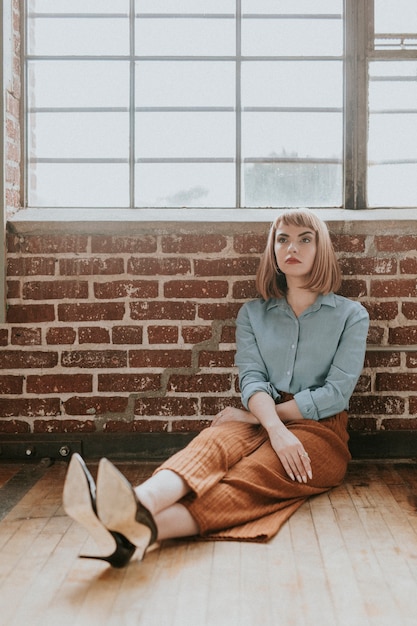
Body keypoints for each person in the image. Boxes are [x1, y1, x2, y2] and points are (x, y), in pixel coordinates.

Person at [63, 208, 369, 568]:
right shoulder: (253, 314)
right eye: (282, 239)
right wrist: (269, 425)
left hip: (321, 430)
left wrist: (258, 420)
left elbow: (335, 394)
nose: (292, 247)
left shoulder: (351, 315)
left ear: (322, 250)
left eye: (305, 239)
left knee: (251, 475)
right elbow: (252, 378)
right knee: (212, 443)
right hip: (261, 413)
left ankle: (134, 531)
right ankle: (137, 501)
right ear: (272, 249)